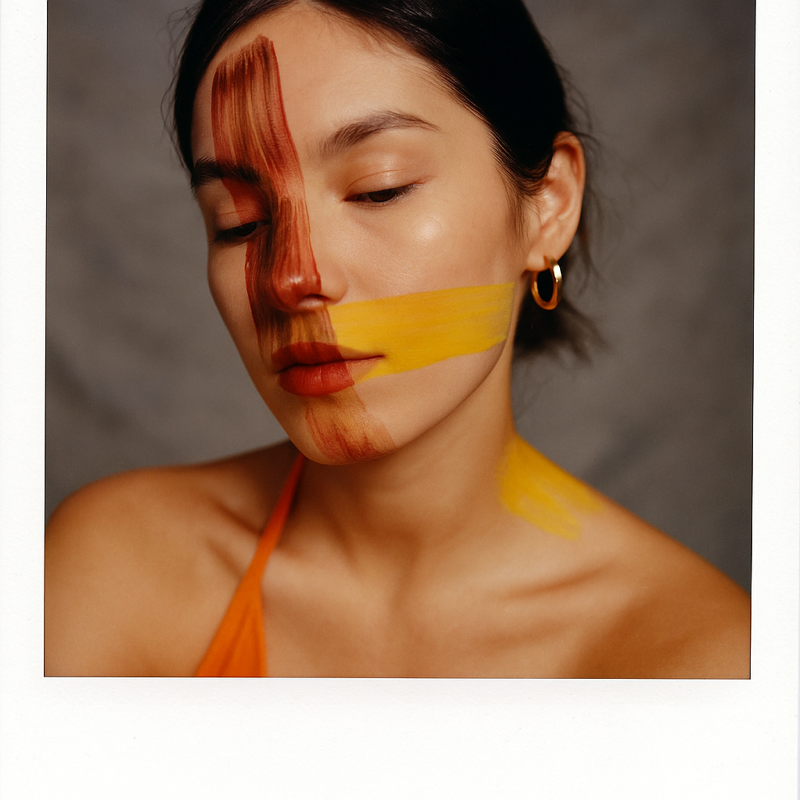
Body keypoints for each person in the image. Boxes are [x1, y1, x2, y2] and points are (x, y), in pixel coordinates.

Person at [44, 0, 750, 678]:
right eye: (238, 220)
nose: (292, 276)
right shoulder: (108, 570)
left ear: (548, 207)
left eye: (379, 188)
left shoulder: (703, 663)